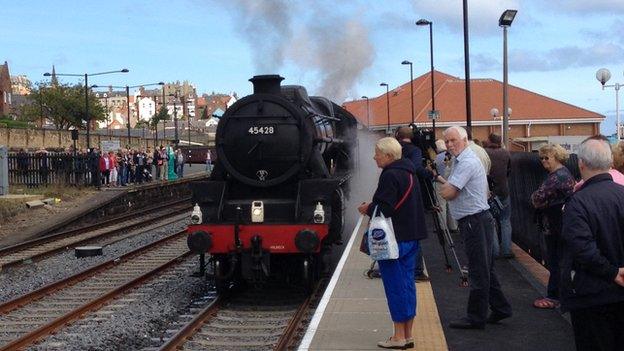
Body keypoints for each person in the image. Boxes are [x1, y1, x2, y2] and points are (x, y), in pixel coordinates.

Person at [437, 126, 512, 329]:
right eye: (447, 142)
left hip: (474, 221)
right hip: (477, 220)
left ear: (464, 139)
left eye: (453, 141)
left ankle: (475, 317)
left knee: (478, 270)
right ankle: (501, 308)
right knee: (486, 267)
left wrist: (446, 186)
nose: (450, 145)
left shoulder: (467, 162)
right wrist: (448, 186)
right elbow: (450, 188)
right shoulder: (463, 160)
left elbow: (449, 192)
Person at [357, 137, 427, 349]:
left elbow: (385, 208)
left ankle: (398, 337)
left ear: (388, 156)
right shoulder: (410, 172)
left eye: (377, 153)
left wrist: (367, 208)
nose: (374, 157)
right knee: (407, 285)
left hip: (394, 240)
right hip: (411, 236)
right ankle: (408, 333)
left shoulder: (390, 175)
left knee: (395, 287)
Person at [559, 138, 624, 351]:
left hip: (591, 295)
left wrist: (611, 272)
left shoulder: (577, 202)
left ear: (581, 163)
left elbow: (582, 249)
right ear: (610, 162)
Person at [531, 143, 575, 310]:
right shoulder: (564, 174)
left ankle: (554, 296)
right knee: (560, 260)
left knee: (556, 261)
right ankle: (560, 295)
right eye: (541, 158)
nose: (543, 161)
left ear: (556, 157)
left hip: (557, 225)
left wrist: (536, 198)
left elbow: (537, 199)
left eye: (546, 157)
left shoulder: (557, 177)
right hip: (561, 224)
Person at [396, 126, 432, 282]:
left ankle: (398, 263)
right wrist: (430, 174)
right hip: (410, 190)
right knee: (414, 230)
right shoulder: (415, 150)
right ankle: (417, 270)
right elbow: (417, 168)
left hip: (395, 190)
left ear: (397, 135)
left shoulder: (394, 148)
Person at [484, 133, 514, 259]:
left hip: (490, 192)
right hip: (504, 190)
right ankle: (506, 250)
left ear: (490, 140)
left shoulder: (485, 153)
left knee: (491, 220)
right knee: (505, 220)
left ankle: (495, 251)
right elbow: (509, 170)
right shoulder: (506, 153)